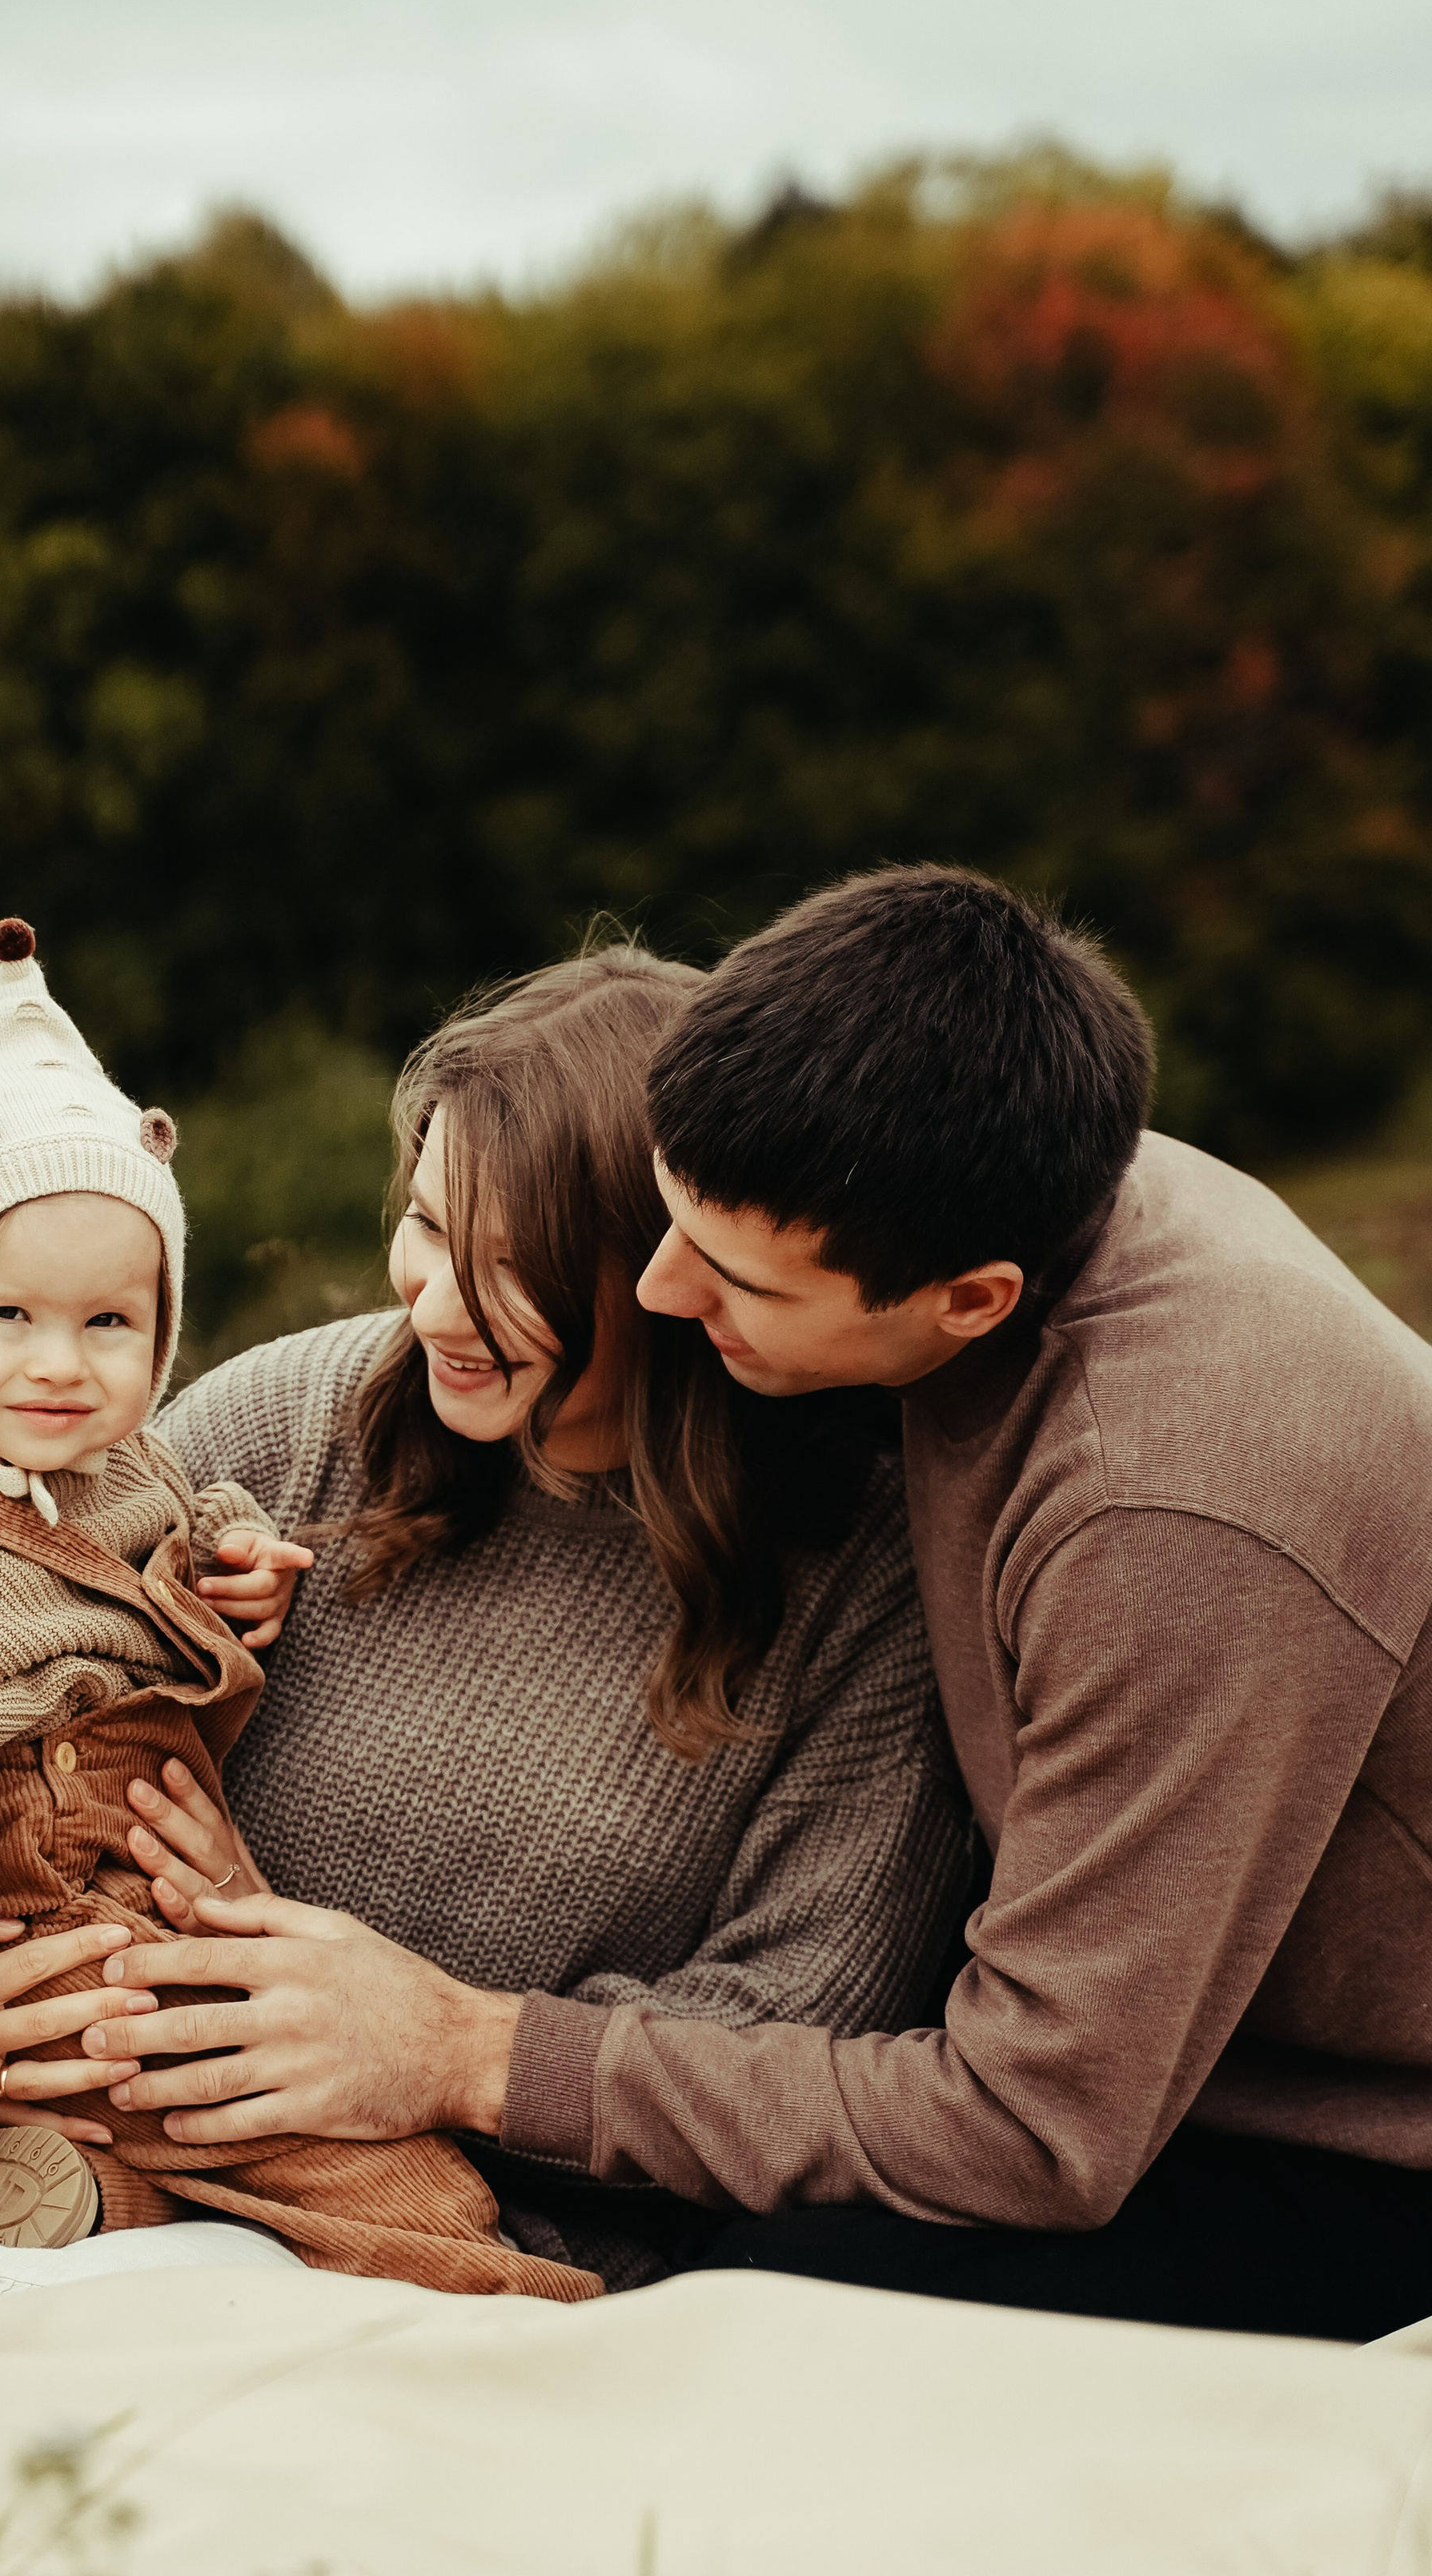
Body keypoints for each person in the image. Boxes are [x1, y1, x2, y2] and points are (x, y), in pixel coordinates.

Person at [0, 946, 976, 2289]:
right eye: (427, 1225)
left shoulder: (860, 1582)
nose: (428, 1301)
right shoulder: (284, 1423)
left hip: (473, 2256)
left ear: (673, 1276)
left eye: (510, 1263)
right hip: (63, 2152)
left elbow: (802, 2042)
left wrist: (437, 2049)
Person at [590, 864, 1432, 2341]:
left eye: (738, 1282)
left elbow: (1033, 2132)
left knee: (753, 2310)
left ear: (972, 1300)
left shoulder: (1173, 1504)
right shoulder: (988, 1164)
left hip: (1366, 2139)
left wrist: (476, 2055)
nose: (660, 1292)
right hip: (1155, 2056)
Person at [0, 913, 593, 2299]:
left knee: (224, 2141)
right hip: (51, 1911)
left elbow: (161, 1515)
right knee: (365, 2176)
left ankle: (90, 2202)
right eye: (7, 1318)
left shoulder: (106, 1456)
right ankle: (513, 2308)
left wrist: (225, 1556)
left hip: (146, 1915)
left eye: (111, 1325)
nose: (62, 1367)